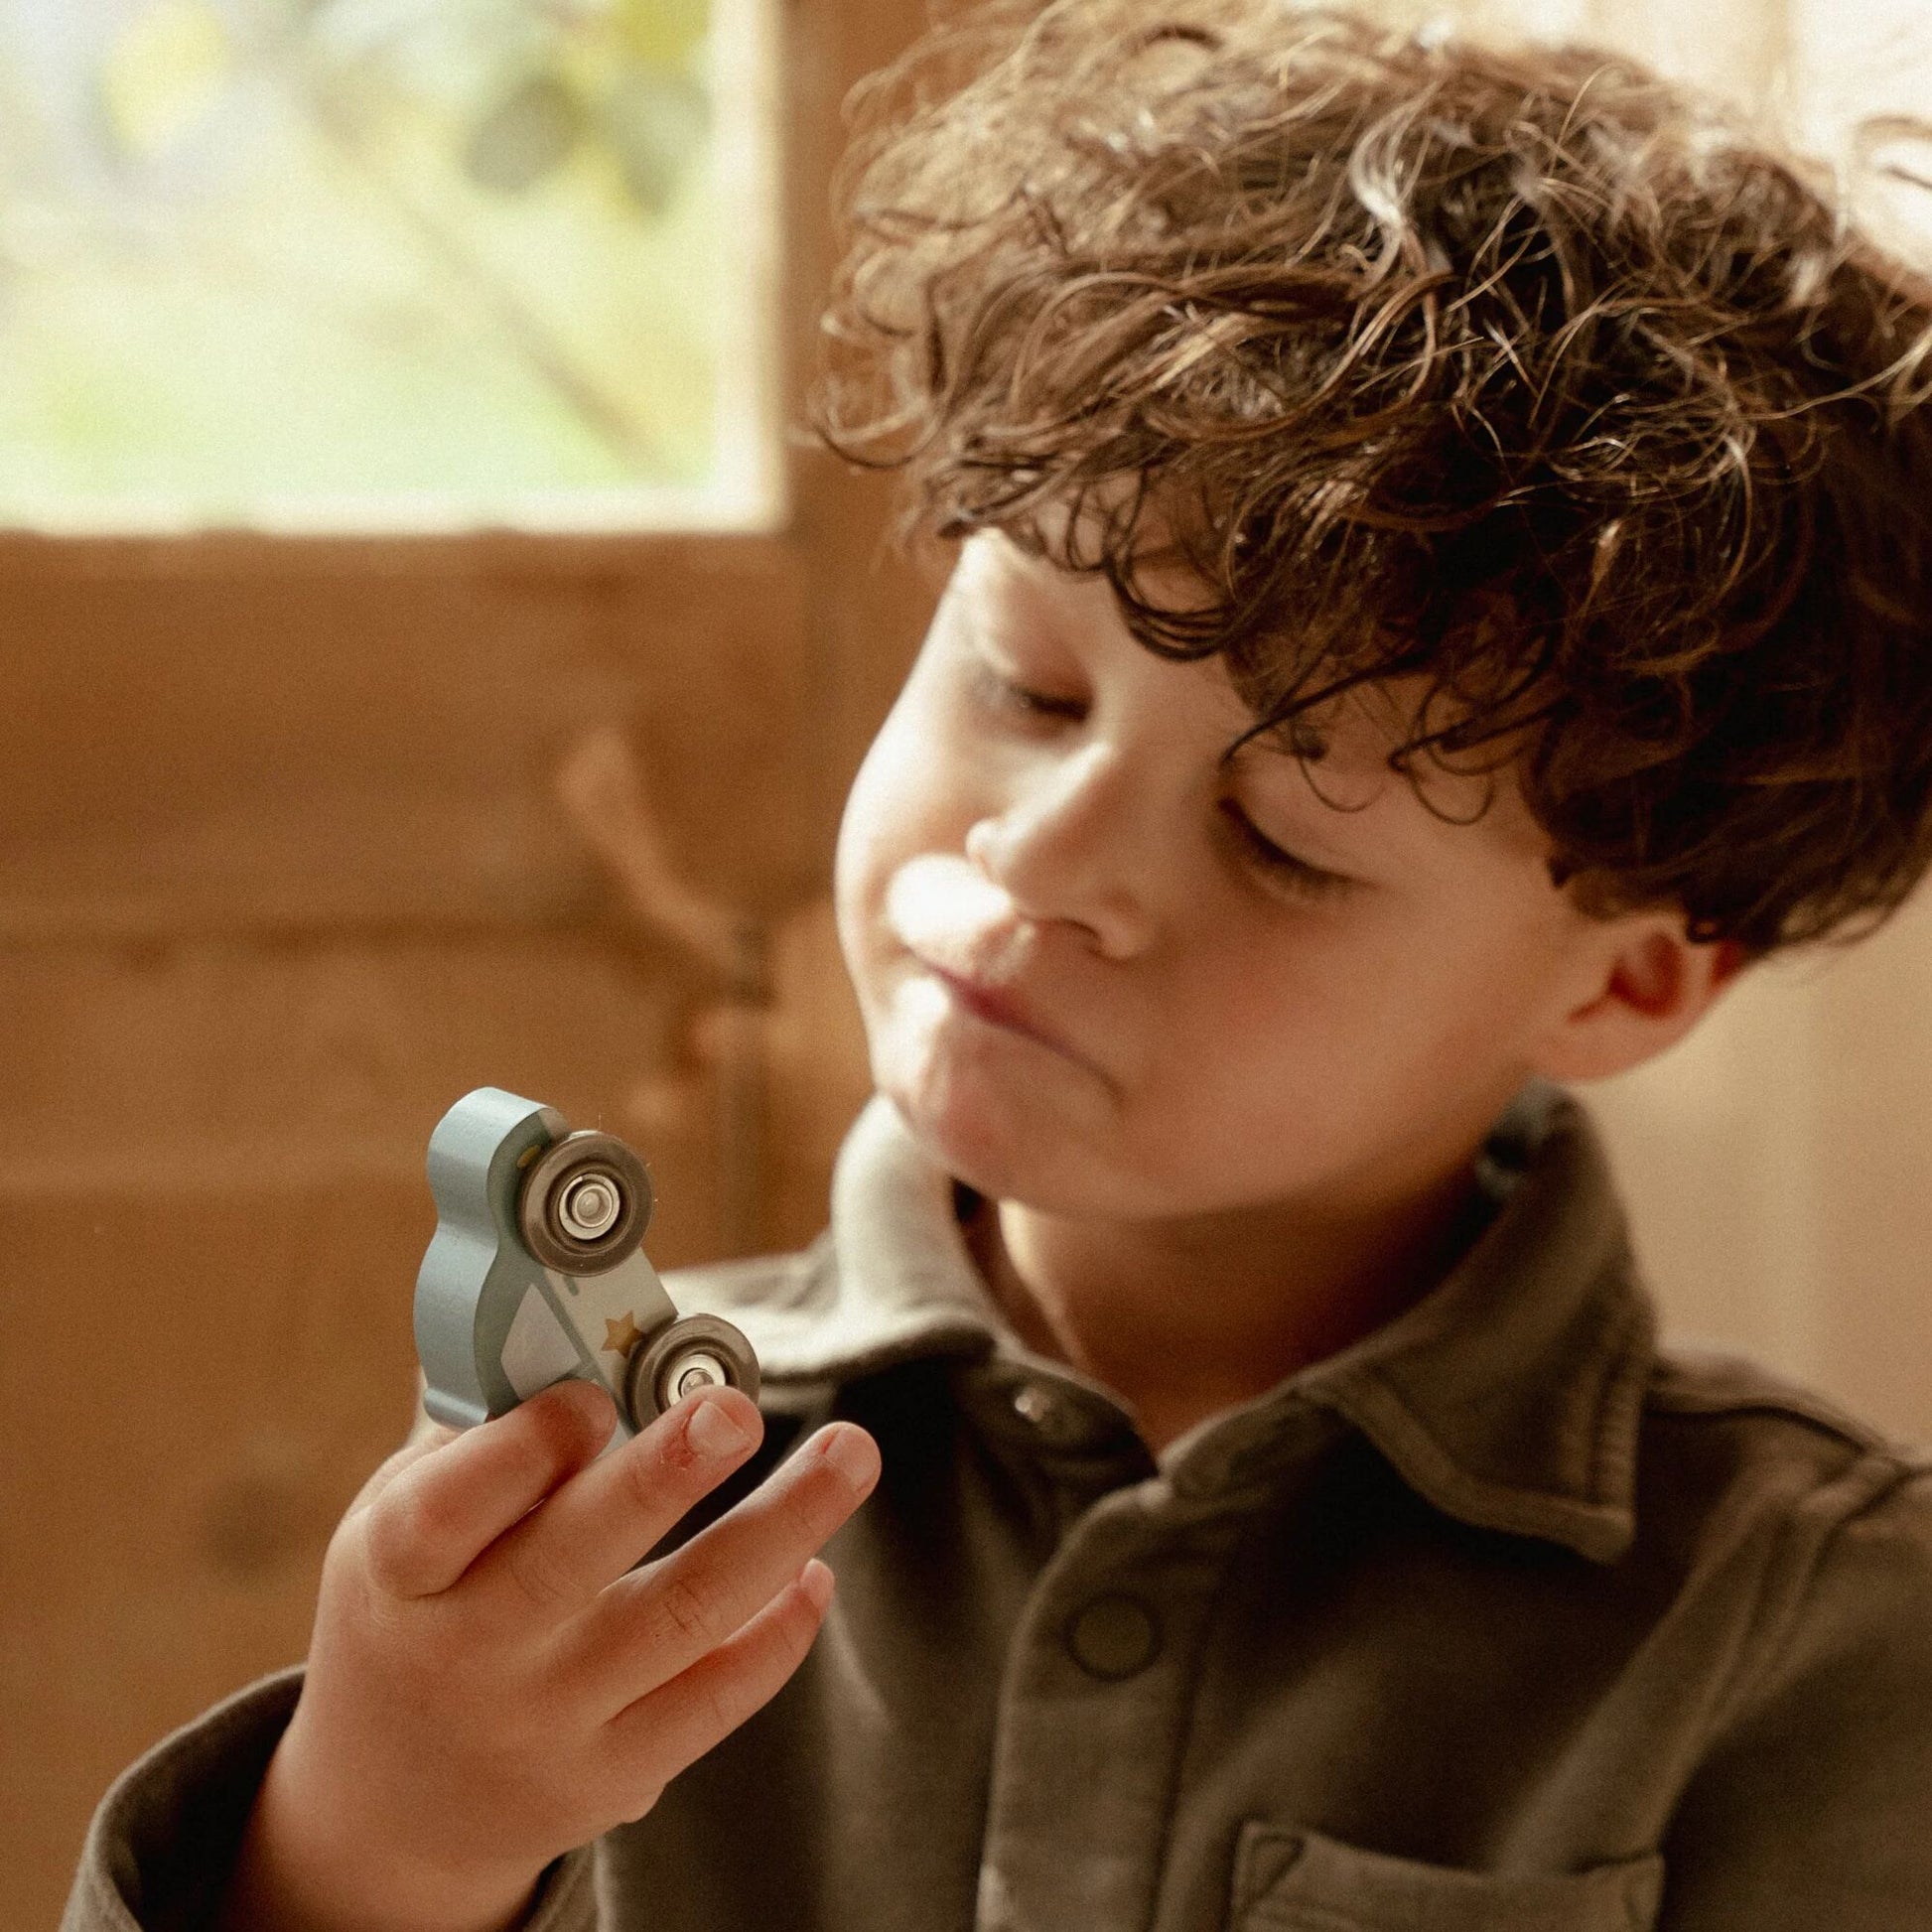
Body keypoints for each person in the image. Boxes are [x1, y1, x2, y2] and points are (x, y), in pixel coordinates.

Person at [66, 5, 1932, 1929]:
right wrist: (380, 1832)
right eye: (1023, 683)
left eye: (1280, 843)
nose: (1035, 861)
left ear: (1620, 989)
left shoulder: (1813, 1632)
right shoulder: (616, 1485)